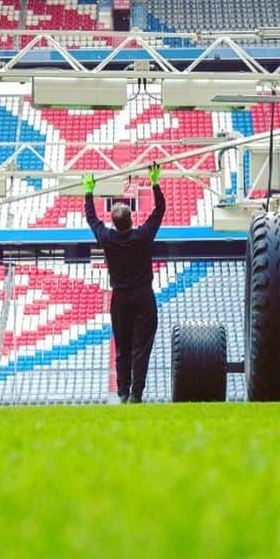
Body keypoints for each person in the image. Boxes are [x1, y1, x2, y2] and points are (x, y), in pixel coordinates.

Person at [84, 163, 165, 404]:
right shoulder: (142, 236)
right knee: (141, 348)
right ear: (131, 220)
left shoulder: (108, 239)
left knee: (123, 348)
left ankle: (122, 392)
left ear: (114, 222)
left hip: (119, 299)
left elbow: (91, 219)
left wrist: (89, 192)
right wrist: (155, 182)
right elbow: (160, 210)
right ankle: (136, 394)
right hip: (143, 297)